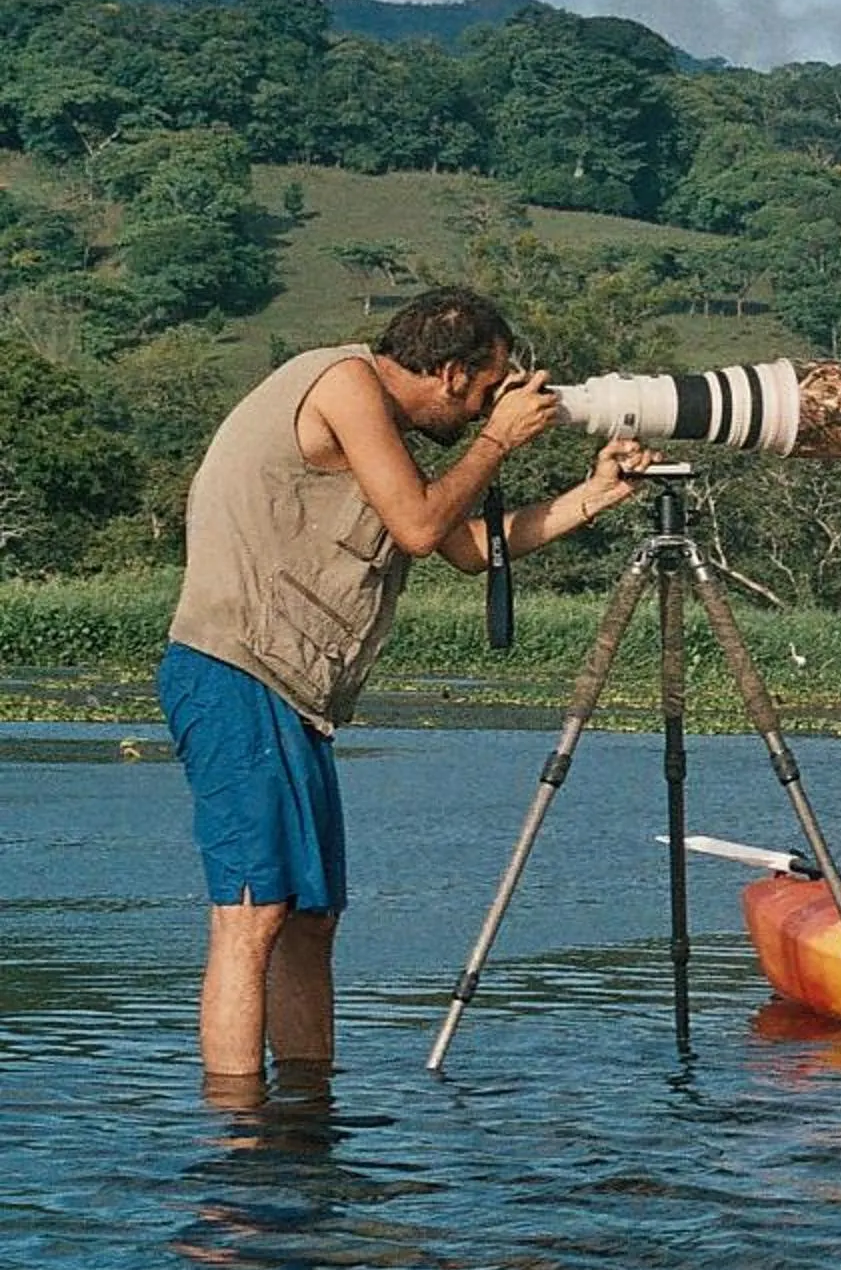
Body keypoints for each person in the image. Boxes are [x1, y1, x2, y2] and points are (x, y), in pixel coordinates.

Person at [157, 287, 650, 1094]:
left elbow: (463, 546)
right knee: (252, 916)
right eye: (491, 388)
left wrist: (594, 496)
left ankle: (306, 1112)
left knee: (310, 920)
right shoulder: (345, 385)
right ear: (454, 374)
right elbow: (421, 528)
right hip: (234, 671)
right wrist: (495, 441)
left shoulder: (376, 426)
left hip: (291, 693)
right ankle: (240, 1132)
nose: (494, 405)